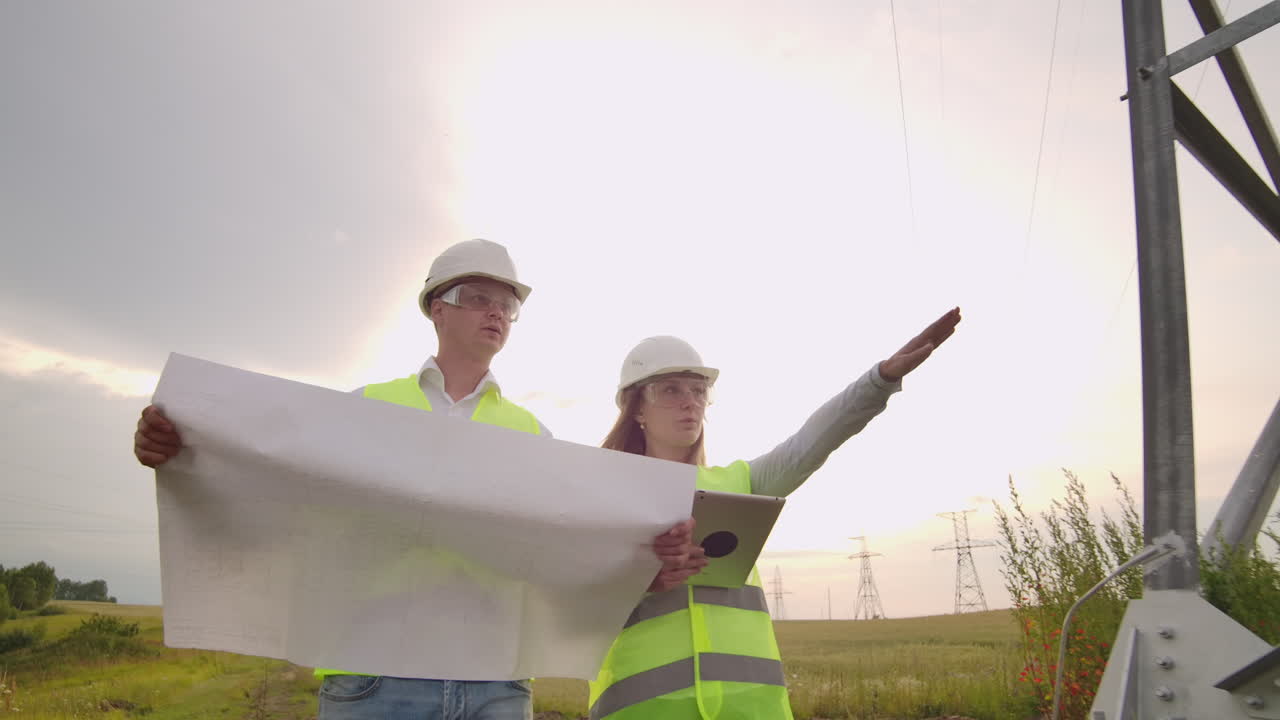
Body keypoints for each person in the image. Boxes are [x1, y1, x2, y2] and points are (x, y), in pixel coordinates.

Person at [133, 238, 705, 720]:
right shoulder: (367, 409)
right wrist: (185, 448)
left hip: (496, 685)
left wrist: (643, 562)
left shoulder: (530, 433)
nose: (497, 313)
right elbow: (279, 480)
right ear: (437, 307)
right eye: (480, 298)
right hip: (374, 679)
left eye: (507, 305)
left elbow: (568, 542)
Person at [587, 307, 962, 720]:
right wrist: (643, 579)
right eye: (670, 390)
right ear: (637, 407)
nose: (689, 404)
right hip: (644, 709)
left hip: (751, 705)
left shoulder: (740, 482)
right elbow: (568, 592)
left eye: (698, 391)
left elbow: (810, 443)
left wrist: (880, 380)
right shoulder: (602, 493)